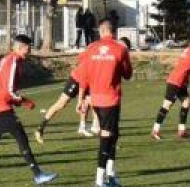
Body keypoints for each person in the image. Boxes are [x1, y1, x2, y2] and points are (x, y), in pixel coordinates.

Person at [0, 35, 57, 186]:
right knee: (21, 139)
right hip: (1, 107)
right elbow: (8, 90)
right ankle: (38, 175)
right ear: (20, 47)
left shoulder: (8, 59)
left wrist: (13, 100)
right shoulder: (12, 61)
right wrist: (24, 101)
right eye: (28, 47)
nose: (30, 50)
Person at [83, 19, 132, 187]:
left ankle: (110, 174)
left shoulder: (90, 48)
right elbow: (127, 74)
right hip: (110, 99)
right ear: (114, 31)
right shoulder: (120, 48)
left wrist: (83, 97)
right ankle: (99, 179)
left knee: (114, 134)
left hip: (95, 98)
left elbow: (84, 73)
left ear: (100, 31)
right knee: (107, 137)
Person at [34, 43, 92, 143]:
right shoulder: (91, 59)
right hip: (76, 80)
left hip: (86, 80)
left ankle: (82, 127)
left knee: (88, 102)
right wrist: (79, 100)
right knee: (61, 104)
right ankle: (40, 129)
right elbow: (83, 82)